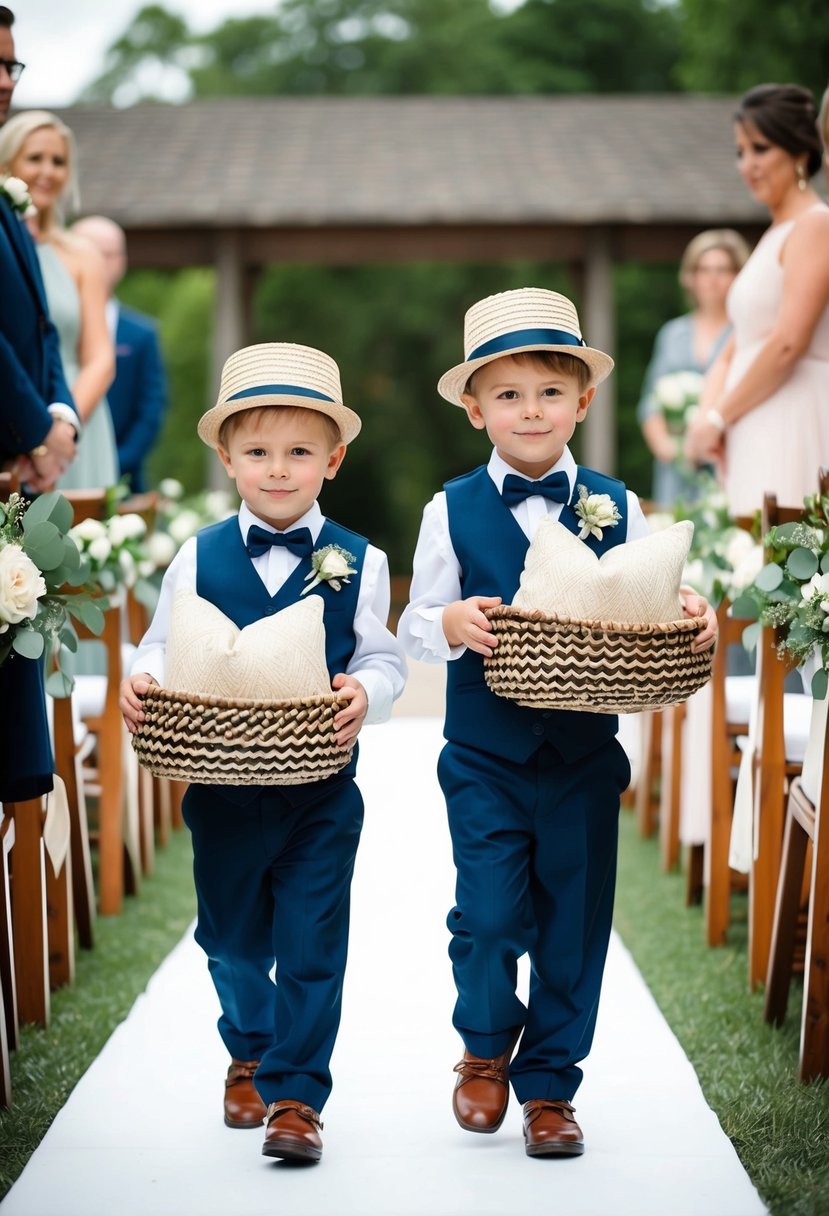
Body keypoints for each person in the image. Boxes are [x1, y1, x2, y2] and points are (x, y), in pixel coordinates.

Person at [397, 287, 716, 1158]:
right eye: (507, 394)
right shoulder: (448, 508)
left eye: (548, 392)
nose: (529, 410)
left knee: (573, 924)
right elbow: (414, 624)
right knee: (491, 915)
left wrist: (688, 607)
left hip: (582, 755)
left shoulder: (618, 501)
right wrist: (450, 623)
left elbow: (651, 603)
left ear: (581, 401)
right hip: (484, 756)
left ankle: (550, 1088)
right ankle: (482, 1046)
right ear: (475, 410)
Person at [120, 342, 406, 1163]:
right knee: (233, 940)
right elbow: (158, 646)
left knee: (314, 942)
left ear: (333, 459)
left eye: (298, 452)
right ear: (226, 457)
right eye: (257, 452)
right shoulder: (197, 554)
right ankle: (248, 1044)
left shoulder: (361, 559)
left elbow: (381, 657)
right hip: (221, 790)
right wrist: (141, 679)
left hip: (320, 790)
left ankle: (295, 1097)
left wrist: (368, 692)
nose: (277, 470)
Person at [0, 4, 79, 804]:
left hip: (22, 472)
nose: (2, 81)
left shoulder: (7, 206)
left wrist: (57, 422)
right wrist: (35, 428)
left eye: (9, 66)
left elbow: (41, 336)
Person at [685, 84, 829, 514]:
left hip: (791, 416)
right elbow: (736, 343)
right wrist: (706, 416)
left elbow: (788, 342)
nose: (747, 165)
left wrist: (717, 419)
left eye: (760, 149)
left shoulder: (816, 225)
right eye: (740, 151)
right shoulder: (773, 235)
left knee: (787, 558)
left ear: (800, 152)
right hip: (752, 418)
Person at [0, 109, 117, 491]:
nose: (47, 171)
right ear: (8, 161)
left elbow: (100, 359)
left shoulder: (83, 255)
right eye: (35, 158)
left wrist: (61, 432)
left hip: (75, 421)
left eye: (58, 161)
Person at [637, 229, 749, 506]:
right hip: (675, 466)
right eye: (704, 269)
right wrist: (666, 448)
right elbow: (650, 400)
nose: (713, 278)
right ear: (691, 276)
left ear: (738, 276)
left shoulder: (746, 333)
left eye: (723, 270)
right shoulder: (673, 334)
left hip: (729, 459)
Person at [72, 215, 167, 493]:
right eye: (90, 252)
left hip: (124, 480)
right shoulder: (46, 325)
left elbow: (151, 409)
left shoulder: (142, 334)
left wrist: (116, 462)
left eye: (109, 254)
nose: (100, 263)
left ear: (122, 260)